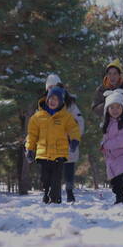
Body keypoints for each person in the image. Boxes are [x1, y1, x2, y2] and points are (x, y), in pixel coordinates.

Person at [25, 86, 81, 204]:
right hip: (43, 154)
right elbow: (32, 134)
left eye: (56, 99)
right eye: (50, 98)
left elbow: (73, 128)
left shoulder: (65, 116)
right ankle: (46, 194)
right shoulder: (37, 117)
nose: (52, 101)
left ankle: (55, 198)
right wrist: (30, 148)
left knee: (56, 178)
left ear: (60, 101)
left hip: (59, 153)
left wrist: (75, 139)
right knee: (45, 178)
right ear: (47, 99)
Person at [43, 74, 85, 203]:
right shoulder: (44, 103)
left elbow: (79, 120)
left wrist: (74, 137)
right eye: (49, 87)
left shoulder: (69, 103)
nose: (52, 89)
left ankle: (69, 191)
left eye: (54, 86)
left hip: (67, 141)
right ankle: (50, 193)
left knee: (68, 167)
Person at [100, 89, 123, 205]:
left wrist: (106, 145)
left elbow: (122, 141)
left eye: (118, 107)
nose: (115, 110)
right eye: (112, 107)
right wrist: (102, 144)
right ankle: (119, 197)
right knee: (116, 179)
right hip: (113, 156)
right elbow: (106, 138)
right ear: (107, 110)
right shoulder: (108, 123)